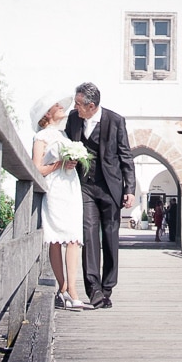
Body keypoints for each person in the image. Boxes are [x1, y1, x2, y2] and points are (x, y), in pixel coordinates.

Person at [65, 82, 135, 308]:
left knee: (110, 237)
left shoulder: (116, 121)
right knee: (89, 234)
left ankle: (107, 288)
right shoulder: (73, 119)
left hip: (110, 188)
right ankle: (93, 289)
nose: (75, 108)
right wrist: (69, 159)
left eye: (78, 104)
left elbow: (126, 157)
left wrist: (130, 189)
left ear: (91, 105)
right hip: (84, 186)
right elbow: (66, 145)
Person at [30, 89, 88, 310]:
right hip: (55, 189)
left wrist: (73, 162)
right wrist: (59, 165)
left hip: (71, 187)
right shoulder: (41, 137)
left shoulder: (63, 136)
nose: (62, 107)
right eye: (57, 105)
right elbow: (37, 169)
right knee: (56, 239)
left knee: (74, 237)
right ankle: (63, 288)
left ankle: (71, 289)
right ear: (47, 113)